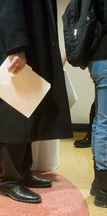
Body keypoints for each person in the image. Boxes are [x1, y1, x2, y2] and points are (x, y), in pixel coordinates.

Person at [0, 0, 73, 204]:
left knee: (26, 110)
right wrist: (16, 46)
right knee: (11, 113)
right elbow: (6, 4)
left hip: (25, 43)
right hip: (13, 47)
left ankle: (22, 171)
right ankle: (9, 180)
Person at [88, 0, 107, 208]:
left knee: (99, 121)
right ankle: (104, 190)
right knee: (104, 123)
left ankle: (98, 182)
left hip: (97, 60)